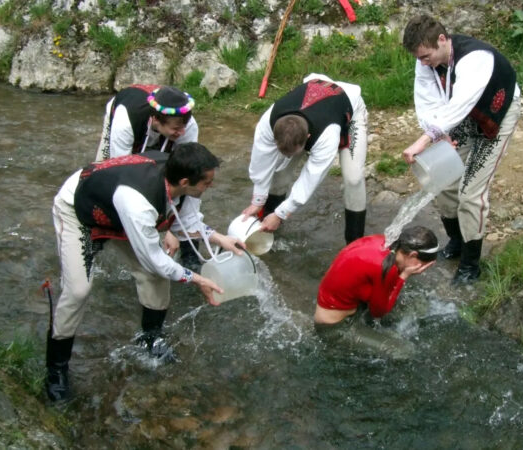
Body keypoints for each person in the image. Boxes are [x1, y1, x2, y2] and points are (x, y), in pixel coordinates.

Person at [45, 142, 244, 402]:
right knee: (79, 290)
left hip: (117, 208)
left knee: (155, 278)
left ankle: (150, 339)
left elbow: (188, 221)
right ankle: (56, 369)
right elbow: (154, 260)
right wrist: (196, 279)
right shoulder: (138, 205)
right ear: (185, 181)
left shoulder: (180, 180)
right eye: (207, 183)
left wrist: (220, 239)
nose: (211, 186)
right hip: (78, 208)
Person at [401, 14, 521, 286]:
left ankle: (470, 264)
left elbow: (461, 104)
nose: (422, 63)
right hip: (460, 117)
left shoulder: (476, 58)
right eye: (419, 58)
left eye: (425, 56)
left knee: (471, 193)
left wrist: (425, 140)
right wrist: (437, 133)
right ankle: (456, 239)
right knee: (441, 179)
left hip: (496, 115)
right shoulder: (426, 61)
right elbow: (427, 102)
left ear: (442, 39)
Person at [241, 73, 368, 244]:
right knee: (279, 172)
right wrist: (257, 200)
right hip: (313, 101)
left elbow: (310, 178)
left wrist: (281, 214)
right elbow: (261, 162)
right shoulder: (267, 123)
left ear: (308, 138)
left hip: (349, 111)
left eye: (292, 152)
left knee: (353, 179)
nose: (286, 156)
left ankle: (354, 243)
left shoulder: (326, 137)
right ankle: (268, 230)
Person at [94, 84, 203, 273]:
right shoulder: (125, 122)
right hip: (126, 121)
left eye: (184, 126)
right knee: (104, 178)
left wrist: (173, 228)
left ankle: (190, 250)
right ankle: (96, 242)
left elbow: (183, 176)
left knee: (185, 179)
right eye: (177, 128)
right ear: (156, 120)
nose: (182, 132)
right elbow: (123, 176)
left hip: (158, 126)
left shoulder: (187, 125)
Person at [314, 226, 437, 358]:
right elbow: (378, 312)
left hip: (349, 307)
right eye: (423, 265)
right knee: (404, 351)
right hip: (335, 329)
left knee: (415, 304)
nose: (422, 270)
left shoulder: (386, 243)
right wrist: (403, 277)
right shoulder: (386, 268)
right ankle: (338, 353)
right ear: (413, 255)